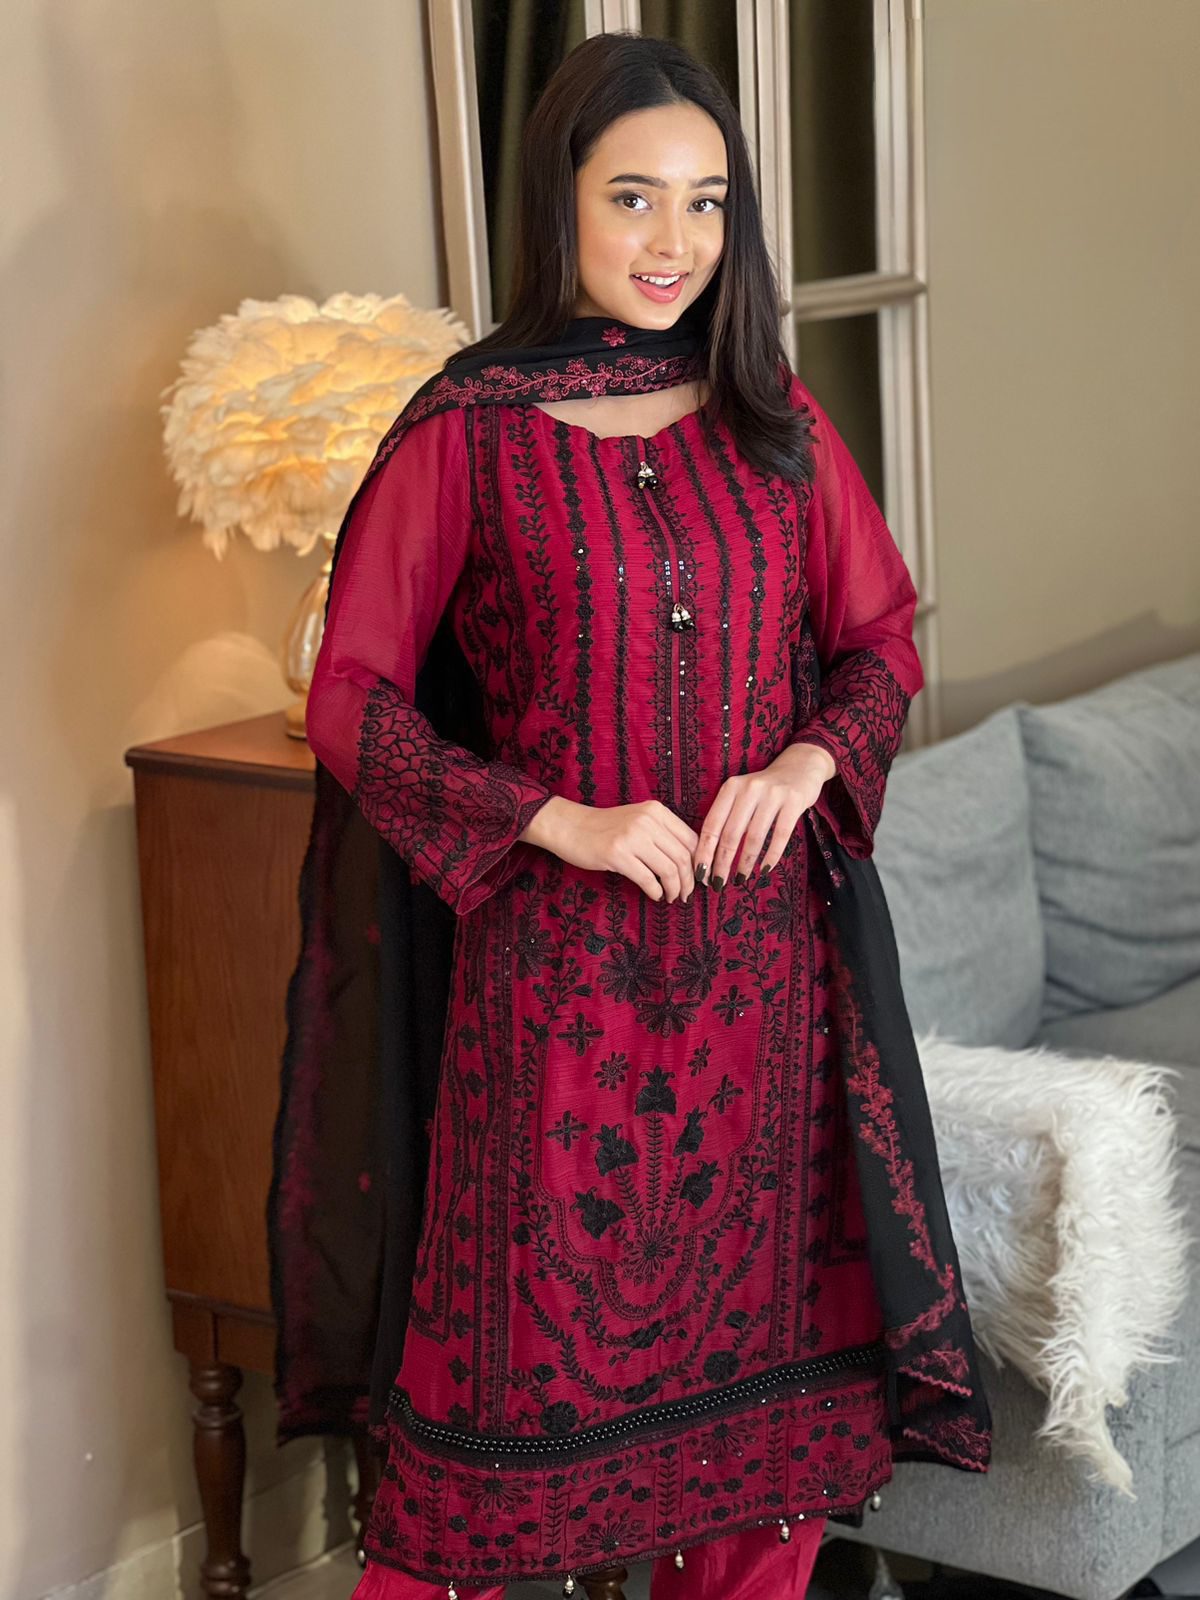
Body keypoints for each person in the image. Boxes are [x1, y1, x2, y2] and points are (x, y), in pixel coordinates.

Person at [267, 31, 993, 1600]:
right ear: (562, 204)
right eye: (634, 197)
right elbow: (352, 699)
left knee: (763, 1486)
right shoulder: (470, 429)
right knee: (475, 1466)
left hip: (768, 1004)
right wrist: (556, 821)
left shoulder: (771, 416)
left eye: (708, 201)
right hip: (557, 1013)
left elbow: (881, 640)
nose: (676, 241)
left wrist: (805, 766)